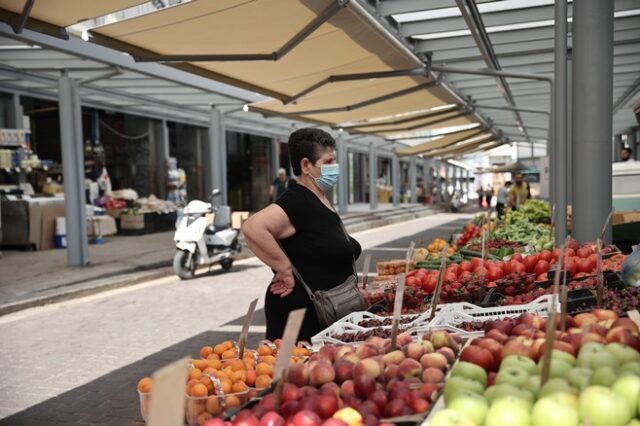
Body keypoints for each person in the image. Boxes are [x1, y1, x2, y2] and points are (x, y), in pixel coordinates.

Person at [242, 128, 362, 341]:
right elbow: (253, 227)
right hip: (301, 318)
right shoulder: (297, 200)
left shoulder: (319, 198)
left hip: (328, 313)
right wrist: (284, 268)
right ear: (306, 165)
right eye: (328, 162)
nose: (334, 168)